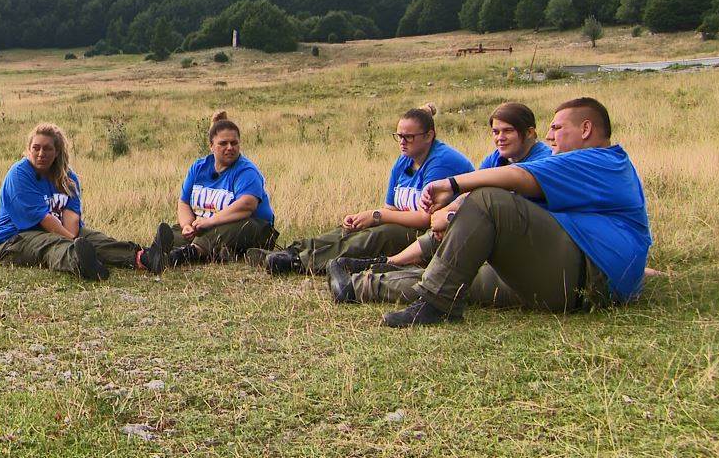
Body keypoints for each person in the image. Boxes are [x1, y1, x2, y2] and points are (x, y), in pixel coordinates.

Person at [328, 97, 651, 328]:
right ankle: (357, 285)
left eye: (557, 127)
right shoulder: (593, 168)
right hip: (577, 278)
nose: (550, 135)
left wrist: (452, 185)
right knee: (456, 274)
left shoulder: (601, 160)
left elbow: (518, 179)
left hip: (584, 277)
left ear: (585, 129)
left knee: (487, 201)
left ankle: (436, 306)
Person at [330, 102, 550, 296]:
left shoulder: (543, 161)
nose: (499, 138)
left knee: (449, 236)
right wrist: (448, 211)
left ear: (529, 132)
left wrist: (452, 215)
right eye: (495, 131)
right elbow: (471, 192)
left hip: (531, 238)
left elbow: (503, 202)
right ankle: (386, 264)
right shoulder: (497, 158)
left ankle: (377, 276)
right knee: (446, 224)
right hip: (495, 231)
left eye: (507, 131)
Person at [250, 104, 473, 275]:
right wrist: (366, 217)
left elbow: (427, 219)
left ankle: (301, 262)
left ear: (429, 136)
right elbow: (391, 207)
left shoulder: (441, 161)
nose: (402, 142)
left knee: (378, 235)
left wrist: (377, 216)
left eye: (409, 137)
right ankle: (292, 251)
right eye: (399, 136)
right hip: (409, 224)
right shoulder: (404, 160)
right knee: (352, 229)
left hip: (436, 235)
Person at [0, 123, 171, 280]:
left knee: (94, 238)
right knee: (53, 243)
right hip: (12, 240)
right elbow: (45, 220)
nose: (41, 153)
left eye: (47, 148)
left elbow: (72, 220)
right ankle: (80, 262)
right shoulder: (19, 174)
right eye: (36, 148)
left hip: (56, 231)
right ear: (28, 150)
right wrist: (74, 242)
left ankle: (144, 258)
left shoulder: (68, 178)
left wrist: (78, 239)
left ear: (57, 151)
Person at [168, 111, 277, 265]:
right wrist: (187, 226)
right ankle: (146, 254)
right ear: (211, 146)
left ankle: (190, 253)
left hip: (253, 227)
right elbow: (184, 202)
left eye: (234, 143)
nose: (230, 147)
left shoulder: (247, 171)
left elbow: (247, 205)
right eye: (223, 143)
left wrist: (210, 222)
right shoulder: (198, 168)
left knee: (228, 229)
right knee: (172, 234)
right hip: (208, 226)